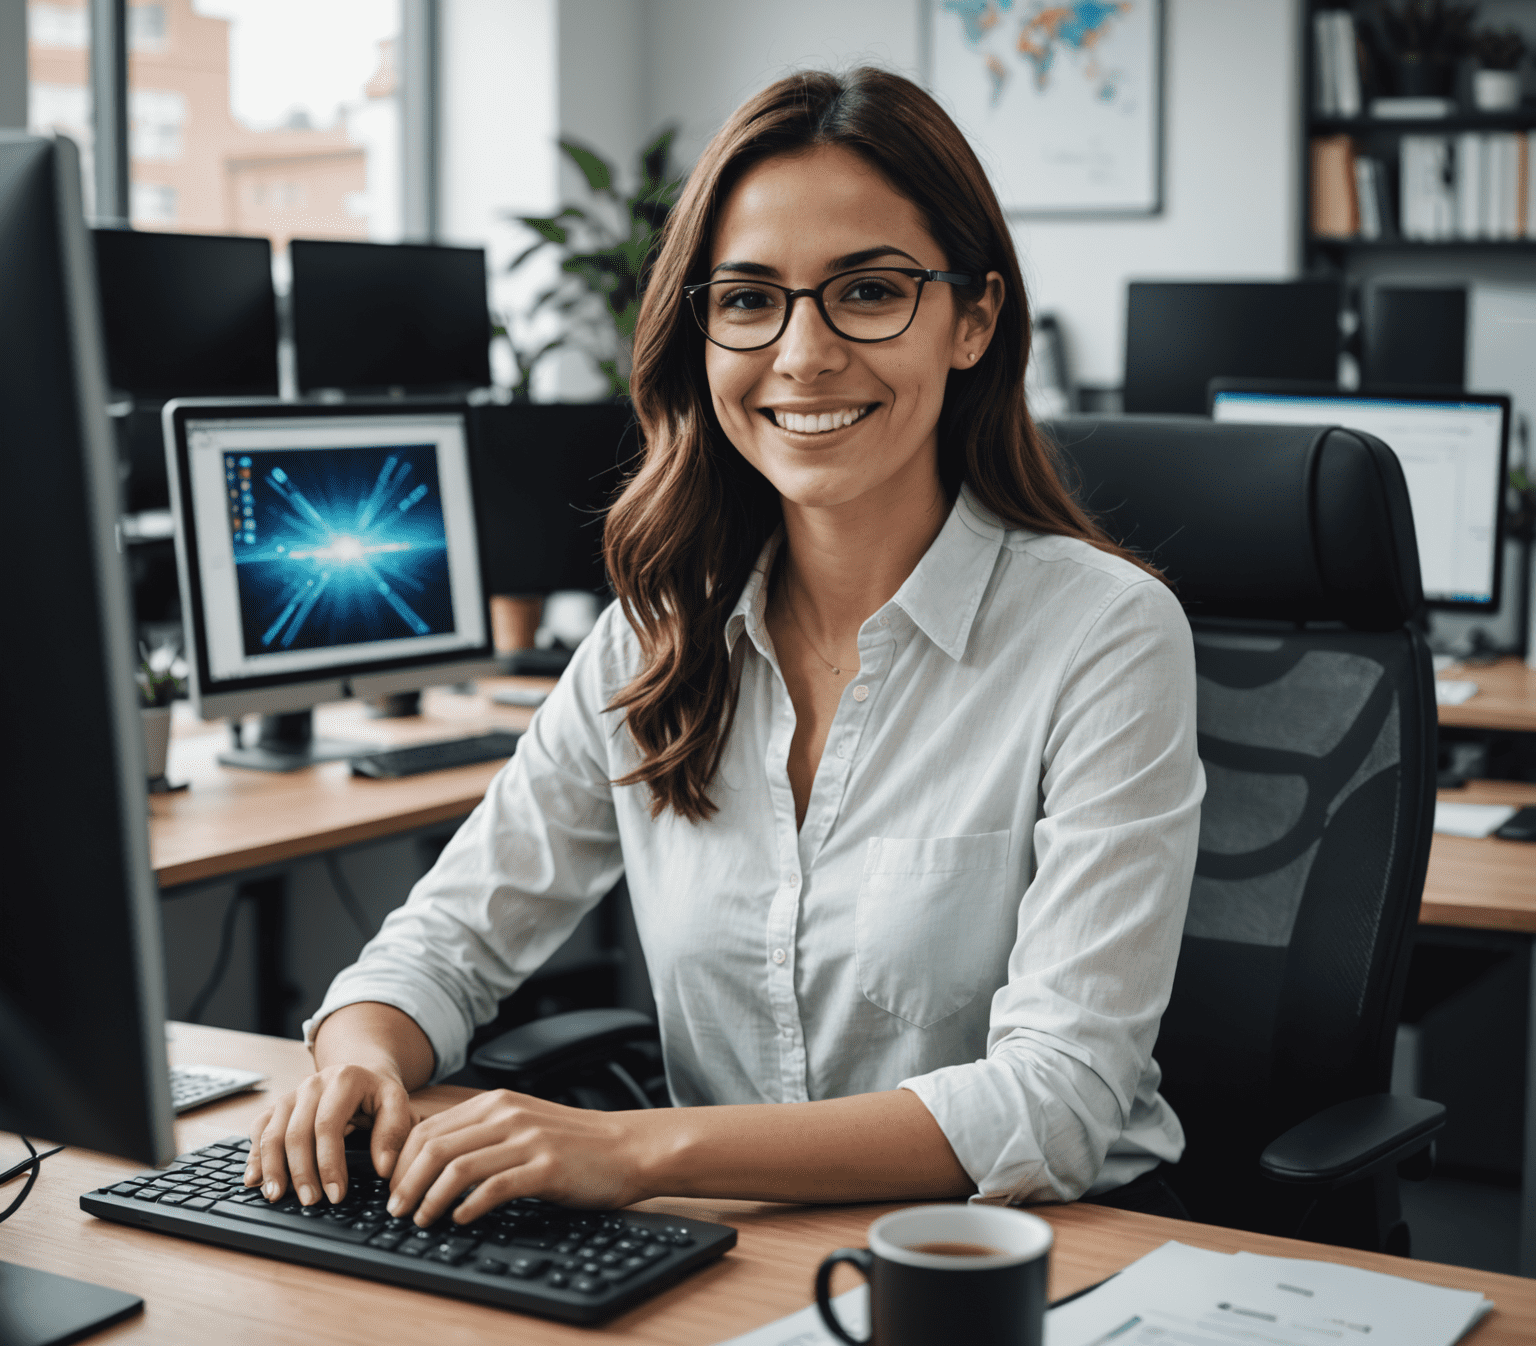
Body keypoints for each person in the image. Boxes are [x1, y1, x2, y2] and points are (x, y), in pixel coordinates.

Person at [244, 67, 1204, 1232]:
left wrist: (634, 1150)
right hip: (736, 1254)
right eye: (749, 299)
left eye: (869, 291)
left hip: (1027, 1255)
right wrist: (361, 1057)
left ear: (975, 320)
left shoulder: (1103, 633)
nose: (802, 353)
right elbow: (445, 942)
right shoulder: (660, 630)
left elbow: (1057, 1099)